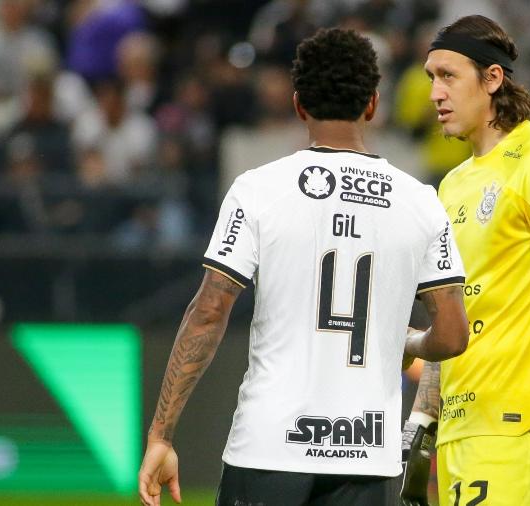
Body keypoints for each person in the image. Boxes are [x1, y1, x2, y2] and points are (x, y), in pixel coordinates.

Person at [138, 28, 470, 506]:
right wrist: (410, 342)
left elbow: (210, 311)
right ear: (373, 104)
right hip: (367, 456)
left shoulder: (258, 189)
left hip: (269, 449)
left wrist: (162, 435)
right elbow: (453, 335)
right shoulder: (420, 202)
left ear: (298, 105)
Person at [401, 15, 530, 506]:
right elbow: (454, 318)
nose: (434, 93)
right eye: (431, 77)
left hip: (517, 429)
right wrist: (421, 425)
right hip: (462, 430)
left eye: (448, 76)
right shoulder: (453, 185)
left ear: (493, 79)